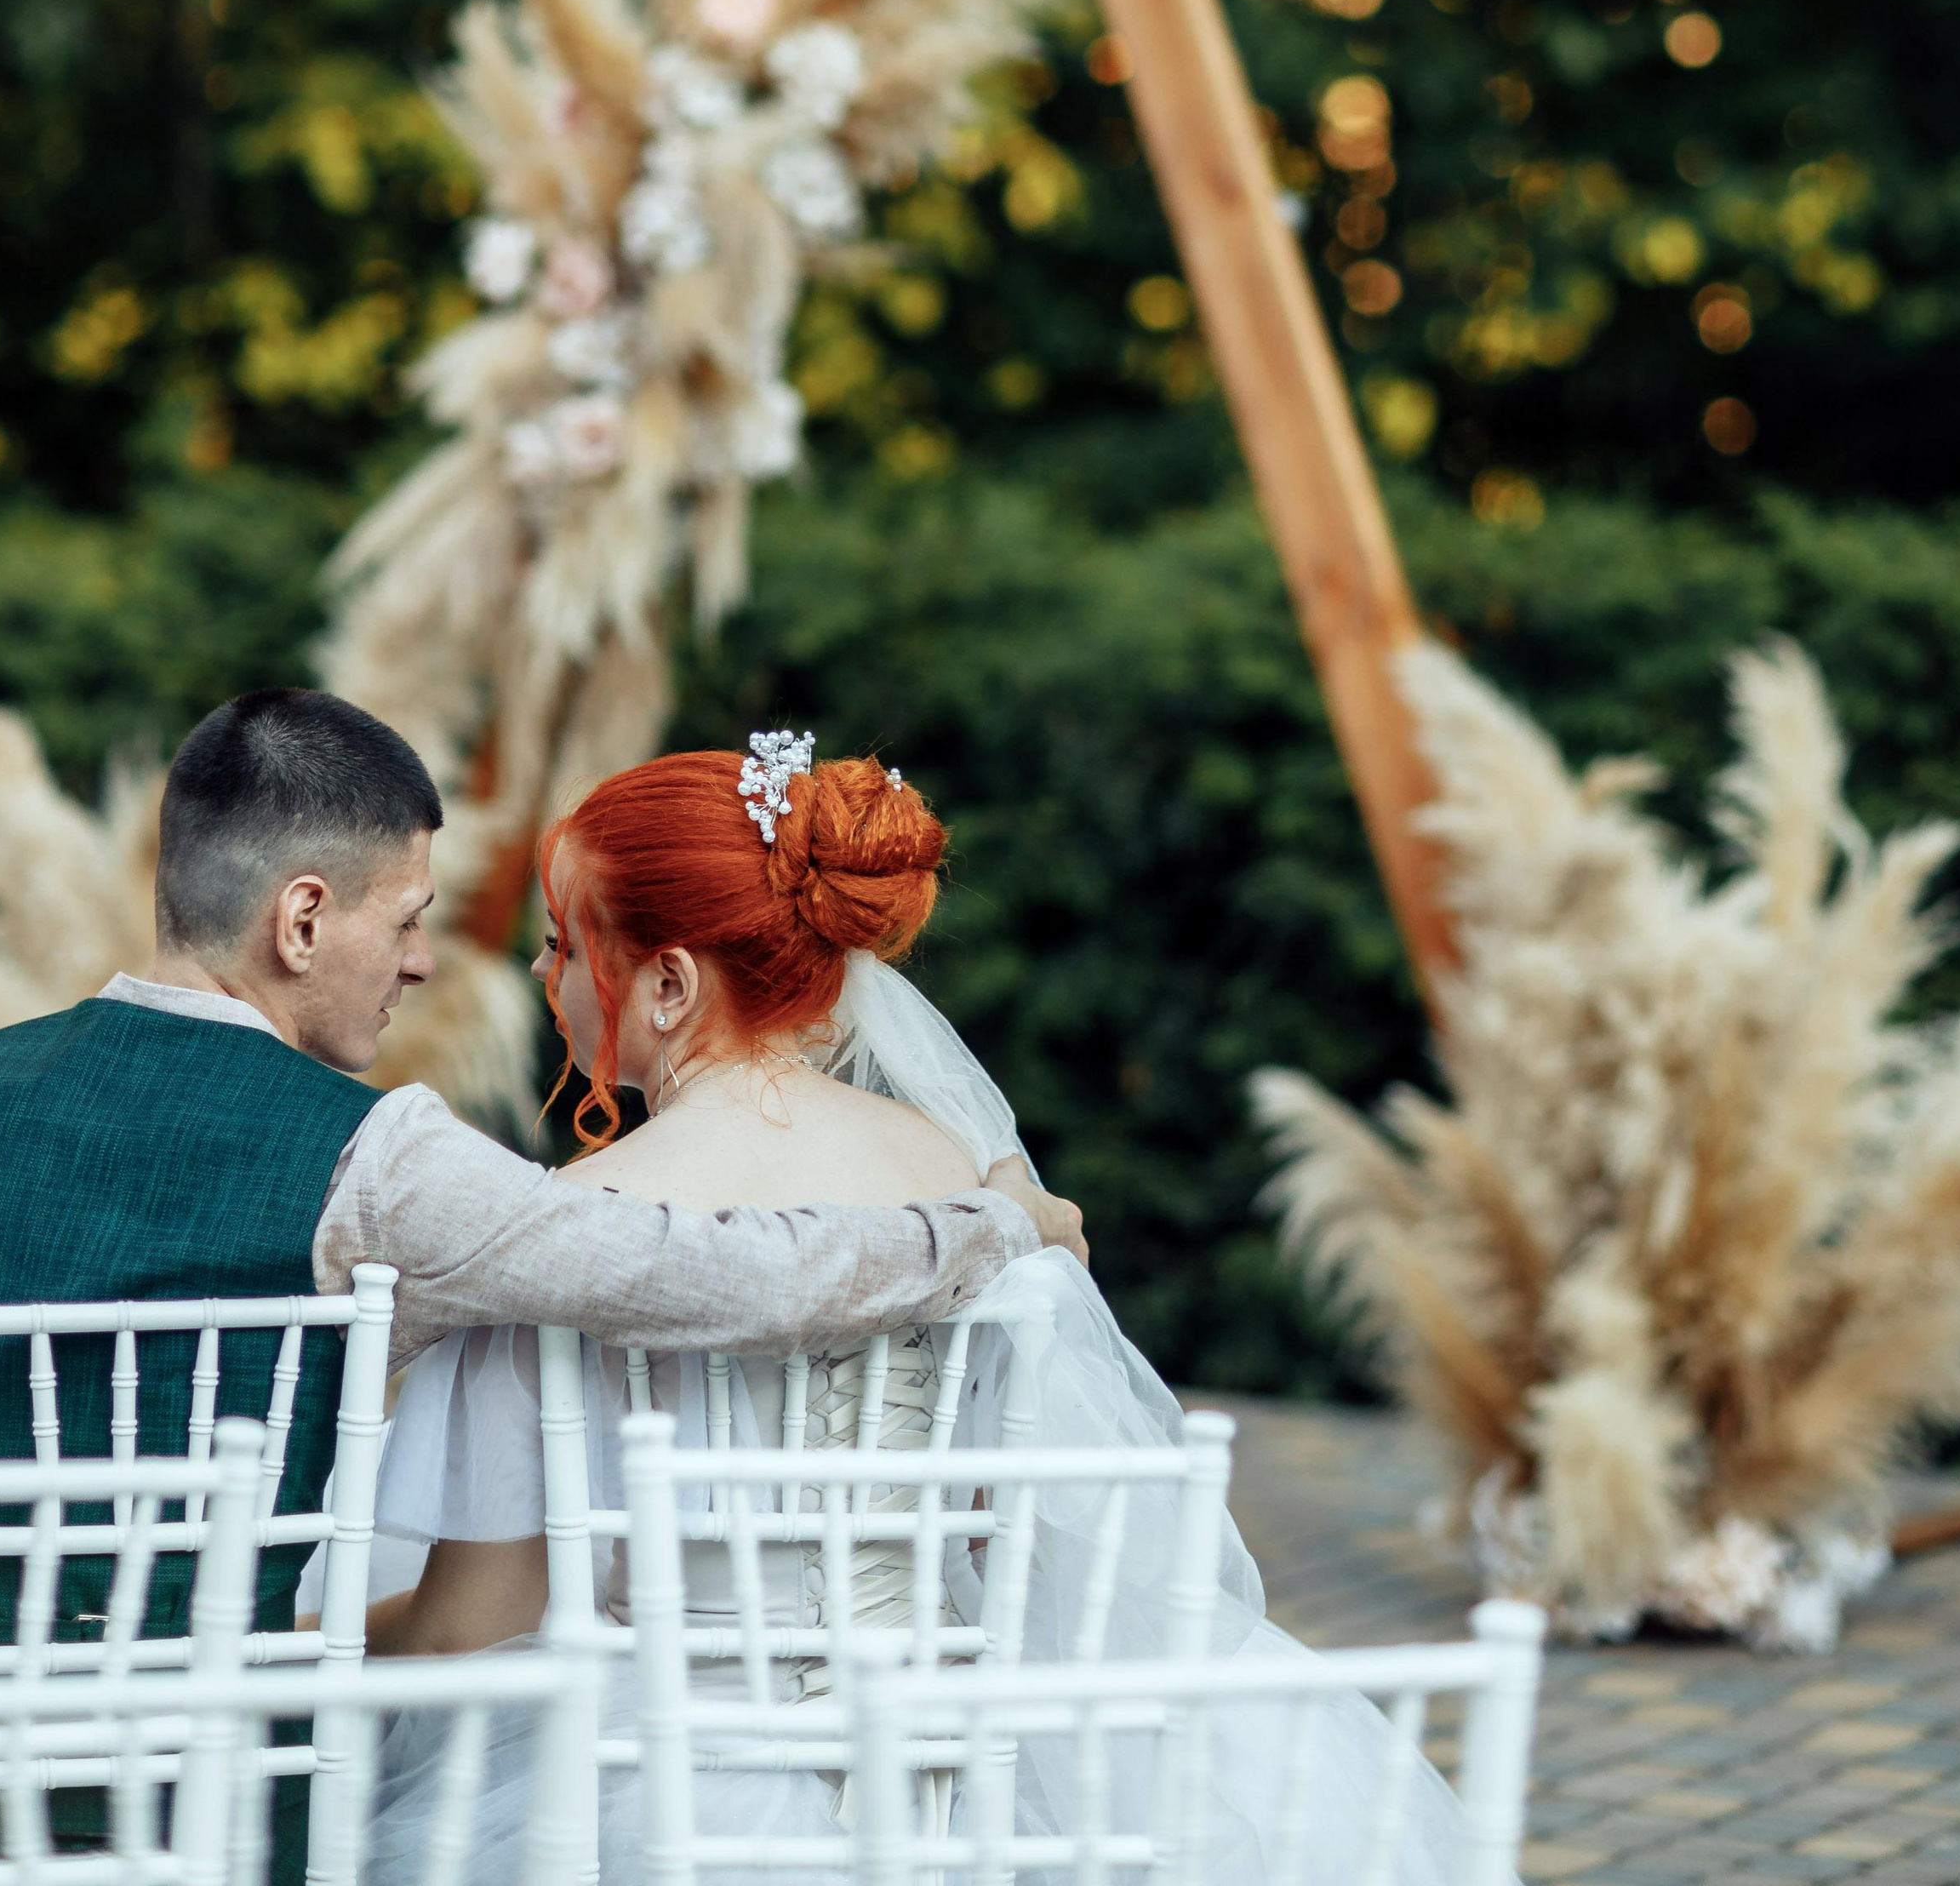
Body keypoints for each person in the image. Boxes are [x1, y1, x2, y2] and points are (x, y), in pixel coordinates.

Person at [365, 735, 1474, 1886]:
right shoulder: (958, 1174)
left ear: (671, 984)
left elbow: (472, 1631)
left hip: (665, 1790)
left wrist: (300, 1647)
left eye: (564, 942)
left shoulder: (568, 1232)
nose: (544, 973)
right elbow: (993, 1519)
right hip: (947, 1770)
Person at [0, 689, 1079, 1582]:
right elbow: (714, 1274)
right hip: (219, 1789)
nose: (426, 964)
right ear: (302, 921)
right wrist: (986, 1224)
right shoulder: (380, 1160)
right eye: (409, 920)